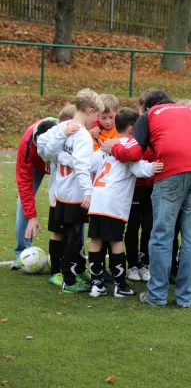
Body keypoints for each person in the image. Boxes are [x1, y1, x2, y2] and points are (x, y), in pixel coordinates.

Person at [101, 89, 191, 308]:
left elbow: (131, 153)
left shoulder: (150, 116)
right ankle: (185, 298)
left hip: (171, 173)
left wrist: (115, 147)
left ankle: (157, 295)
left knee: (162, 234)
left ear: (145, 108)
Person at [88, 108, 163, 298]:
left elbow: (90, 164)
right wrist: (153, 167)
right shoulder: (129, 149)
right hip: (114, 203)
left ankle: (96, 285)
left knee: (96, 240)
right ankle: (120, 286)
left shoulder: (106, 146)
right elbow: (139, 168)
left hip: (97, 200)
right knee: (116, 241)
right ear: (132, 130)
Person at [37, 88, 104, 293]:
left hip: (60, 191)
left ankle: (63, 275)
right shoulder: (80, 135)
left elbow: (45, 149)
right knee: (74, 235)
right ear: (90, 111)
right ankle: (70, 281)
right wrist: (88, 192)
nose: (96, 121)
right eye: (97, 116)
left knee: (65, 233)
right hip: (74, 193)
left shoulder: (64, 126)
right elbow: (80, 165)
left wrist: (60, 154)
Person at [37, 104, 77, 286]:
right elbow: (47, 150)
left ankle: (70, 268)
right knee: (59, 232)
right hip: (59, 197)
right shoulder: (57, 143)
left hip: (69, 196)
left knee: (71, 233)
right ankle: (56, 272)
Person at [12, 116, 58, 270]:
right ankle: (22, 253)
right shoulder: (27, 143)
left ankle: (72, 252)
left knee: (71, 202)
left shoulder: (66, 136)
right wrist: (31, 216)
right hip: (34, 165)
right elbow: (24, 184)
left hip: (59, 163)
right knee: (22, 203)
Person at [125, 90, 157, 282]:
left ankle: (144, 264)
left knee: (148, 227)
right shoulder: (135, 125)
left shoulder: (159, 126)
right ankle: (132, 266)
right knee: (132, 227)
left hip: (153, 187)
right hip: (134, 187)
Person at [90, 94, 120, 283]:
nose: (108, 121)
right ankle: (98, 274)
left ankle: (109, 271)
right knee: (98, 235)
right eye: (103, 117)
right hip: (98, 191)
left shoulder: (123, 130)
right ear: (97, 116)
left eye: (112, 117)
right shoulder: (93, 132)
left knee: (112, 235)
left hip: (117, 191)